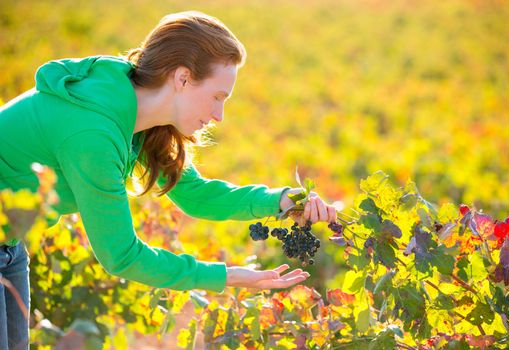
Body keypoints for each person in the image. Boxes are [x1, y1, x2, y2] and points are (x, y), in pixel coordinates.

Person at [0, 11, 338, 348]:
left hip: (10, 246)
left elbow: (196, 196)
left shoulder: (135, 113)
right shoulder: (94, 132)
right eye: (217, 97)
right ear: (182, 78)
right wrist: (228, 276)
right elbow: (121, 256)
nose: (219, 115)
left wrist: (282, 200)